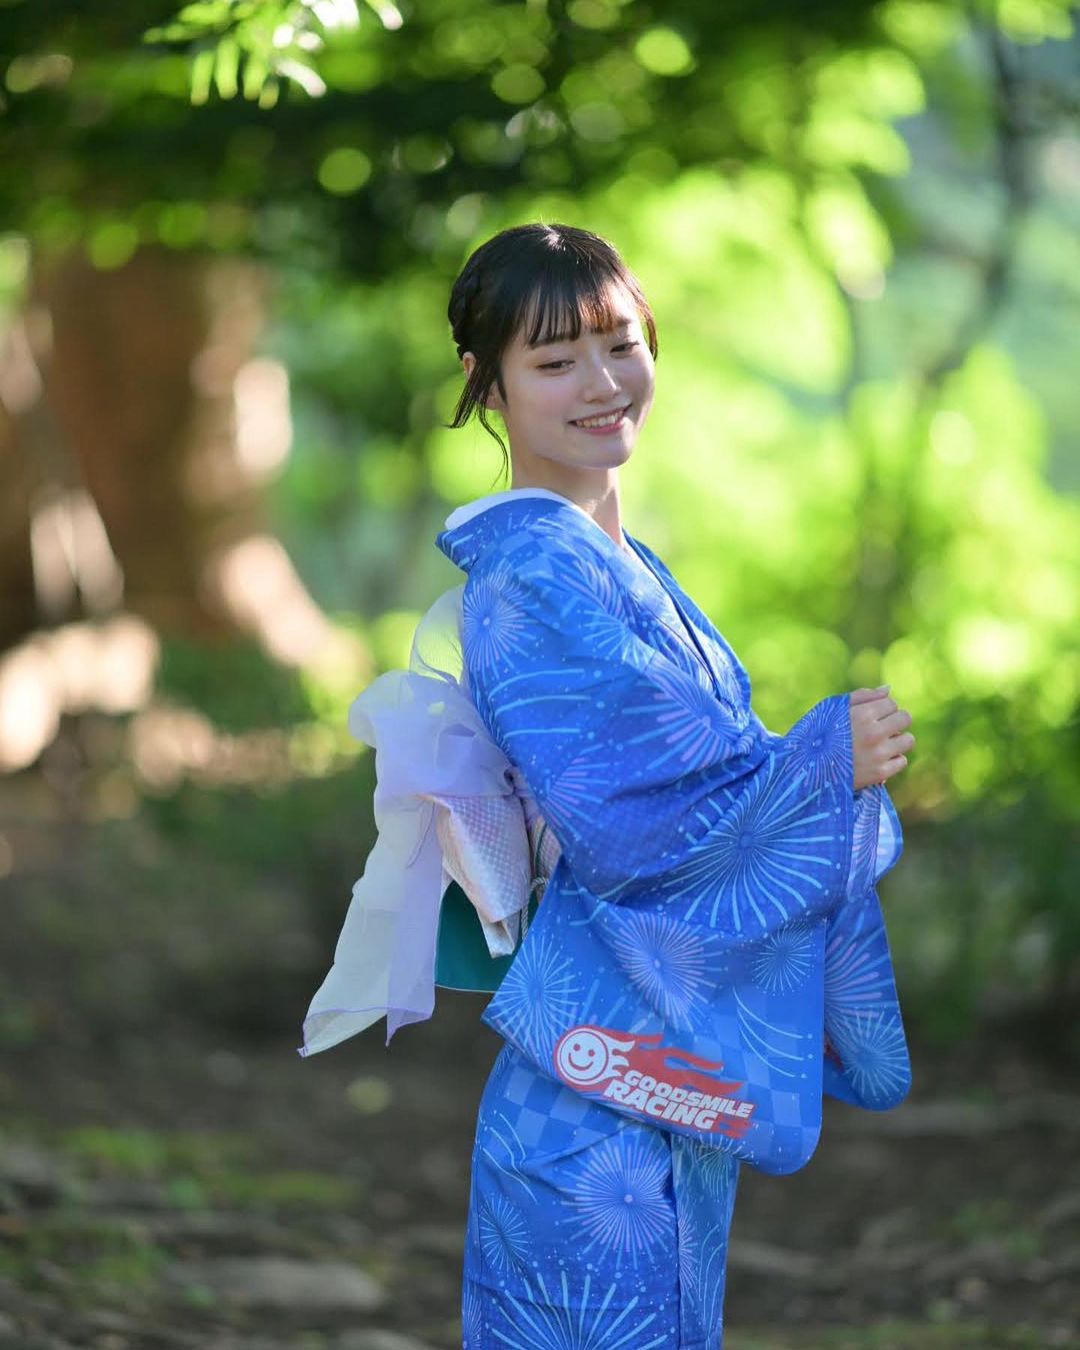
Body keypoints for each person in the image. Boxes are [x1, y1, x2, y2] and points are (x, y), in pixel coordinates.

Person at [301, 222, 915, 1348]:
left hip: (638, 1077)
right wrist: (827, 761)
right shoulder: (536, 575)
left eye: (622, 345)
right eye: (554, 361)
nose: (602, 383)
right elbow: (640, 821)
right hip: (593, 1115)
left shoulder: (608, 559)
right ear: (486, 384)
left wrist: (808, 765)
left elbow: (694, 775)